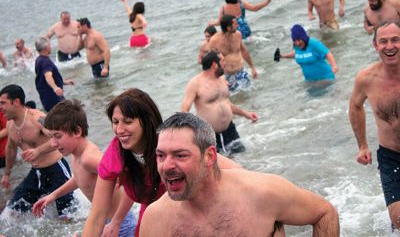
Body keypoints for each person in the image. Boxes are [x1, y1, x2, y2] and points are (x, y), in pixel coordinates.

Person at [139, 112, 339, 237]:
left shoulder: (261, 193)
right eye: (160, 155)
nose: (166, 166)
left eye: (180, 155)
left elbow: (324, 214)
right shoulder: (156, 220)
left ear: (209, 156)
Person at [82, 88, 240, 237]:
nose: (120, 130)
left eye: (128, 121)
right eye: (115, 122)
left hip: (193, 211)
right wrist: (116, 220)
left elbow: (234, 169)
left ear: (146, 120)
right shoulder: (117, 153)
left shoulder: (169, 141)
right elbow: (97, 216)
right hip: (153, 215)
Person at [32, 99, 136, 236]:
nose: (53, 143)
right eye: (51, 137)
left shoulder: (89, 158)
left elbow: (133, 181)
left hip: (119, 224)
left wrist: (116, 222)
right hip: (105, 221)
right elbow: (81, 179)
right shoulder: (78, 156)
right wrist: (54, 195)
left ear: (77, 131)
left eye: (57, 136)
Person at [349, 21, 400, 229]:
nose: (390, 46)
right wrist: (362, 145)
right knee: (398, 221)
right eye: (383, 41)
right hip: (390, 157)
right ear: (375, 45)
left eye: (395, 39)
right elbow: (355, 106)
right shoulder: (366, 79)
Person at [0, 84, 74, 217]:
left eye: (3, 103)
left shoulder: (37, 119)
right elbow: (10, 148)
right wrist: (7, 174)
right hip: (36, 173)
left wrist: (38, 151)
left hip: (57, 170)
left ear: (16, 102)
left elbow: (60, 138)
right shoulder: (10, 125)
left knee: (66, 216)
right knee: (12, 211)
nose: (0, 107)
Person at [182, 51, 258, 154]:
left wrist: (246, 114)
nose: (225, 63)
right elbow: (184, 110)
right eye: (222, 60)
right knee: (217, 166)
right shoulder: (195, 84)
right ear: (214, 64)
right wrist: (192, 132)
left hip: (230, 130)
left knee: (240, 158)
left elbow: (226, 103)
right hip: (209, 135)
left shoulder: (222, 79)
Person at [208, 15, 258, 92]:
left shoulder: (238, 35)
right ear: (228, 27)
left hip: (241, 73)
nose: (237, 25)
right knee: (232, 100)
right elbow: (211, 63)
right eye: (235, 24)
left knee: (249, 97)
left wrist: (252, 67)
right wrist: (218, 79)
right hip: (226, 77)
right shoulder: (214, 41)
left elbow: (244, 51)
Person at [208, 0, 273, 40]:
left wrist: (211, 23)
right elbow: (254, 8)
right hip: (246, 31)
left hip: (234, 33)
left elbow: (219, 22)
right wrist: (266, 2)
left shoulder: (223, 8)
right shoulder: (241, 3)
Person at [34, 37, 74, 112]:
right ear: (46, 48)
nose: (50, 47)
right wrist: (55, 88)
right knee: (66, 115)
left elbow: (43, 78)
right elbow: (48, 76)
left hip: (46, 97)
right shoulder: (46, 62)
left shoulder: (39, 60)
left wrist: (64, 82)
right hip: (53, 97)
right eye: (50, 45)